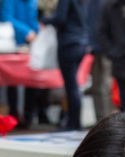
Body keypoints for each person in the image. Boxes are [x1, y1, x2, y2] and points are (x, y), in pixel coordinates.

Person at [48, 0, 90, 131]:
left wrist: (46, 19)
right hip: (80, 42)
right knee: (73, 86)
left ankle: (73, 123)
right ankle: (74, 122)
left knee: (71, 86)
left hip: (69, 43)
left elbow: (60, 18)